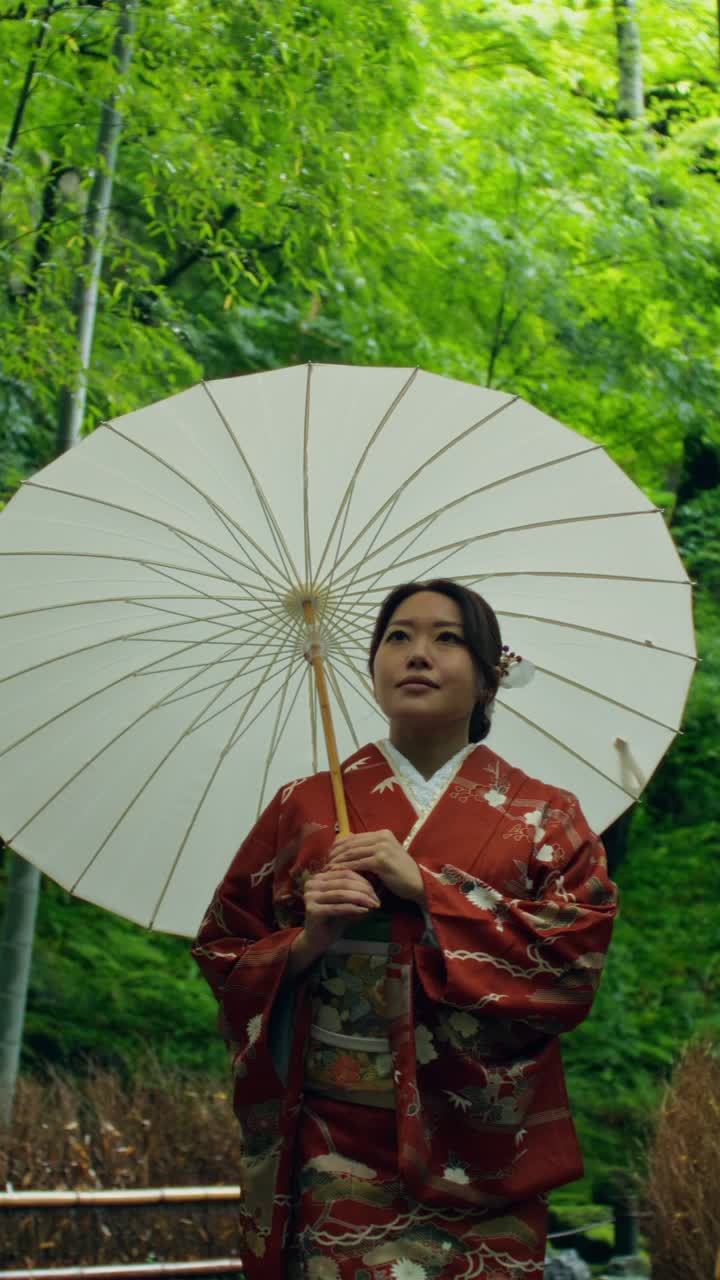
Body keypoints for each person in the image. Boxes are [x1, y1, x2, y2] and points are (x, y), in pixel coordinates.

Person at [192, 579, 618, 1280]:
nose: (417, 654)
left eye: (446, 638)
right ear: (372, 668)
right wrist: (306, 942)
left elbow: (573, 967)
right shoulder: (303, 806)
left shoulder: (547, 816)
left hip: (484, 1144)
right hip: (335, 1145)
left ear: (489, 679)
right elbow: (222, 949)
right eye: (398, 637)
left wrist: (428, 888)